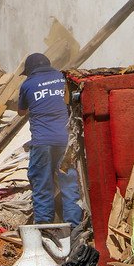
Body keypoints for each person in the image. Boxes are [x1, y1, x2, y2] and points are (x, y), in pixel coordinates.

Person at [18, 53, 82, 227]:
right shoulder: (63, 78)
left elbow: (21, 111)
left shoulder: (28, 84)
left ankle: (45, 228)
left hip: (42, 142)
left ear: (30, 70)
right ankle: (74, 229)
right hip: (65, 140)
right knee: (69, 185)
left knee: (42, 184)